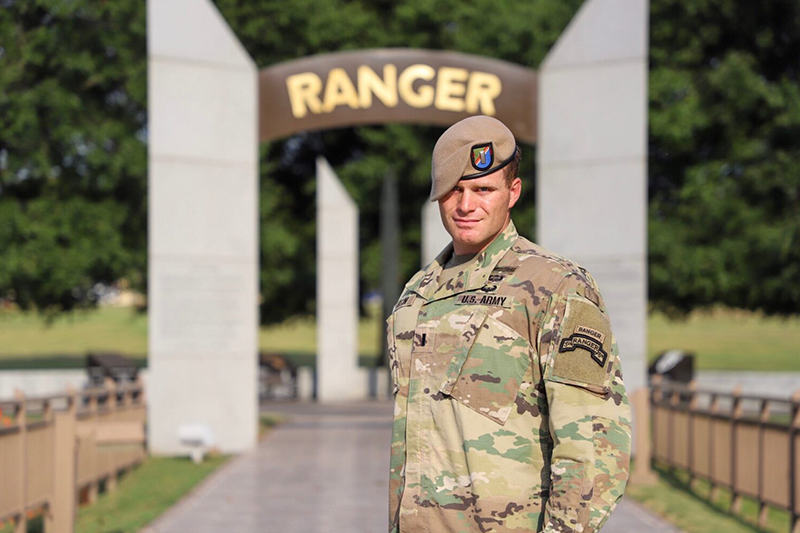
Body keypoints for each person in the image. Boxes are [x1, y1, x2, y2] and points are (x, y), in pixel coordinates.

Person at [386, 115, 631, 533]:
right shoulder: (416, 294)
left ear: (512, 192)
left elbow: (593, 445)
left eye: (483, 189)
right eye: (453, 191)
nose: (466, 205)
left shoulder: (554, 286)